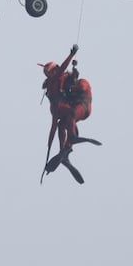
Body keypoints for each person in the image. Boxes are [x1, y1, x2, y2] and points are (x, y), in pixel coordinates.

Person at [39, 44, 99, 184]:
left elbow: (54, 125)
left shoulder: (60, 87)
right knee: (64, 121)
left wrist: (48, 149)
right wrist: (72, 54)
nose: (60, 71)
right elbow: (54, 126)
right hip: (75, 109)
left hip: (79, 106)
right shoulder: (57, 82)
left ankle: (68, 145)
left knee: (66, 119)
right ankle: (65, 151)